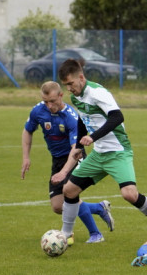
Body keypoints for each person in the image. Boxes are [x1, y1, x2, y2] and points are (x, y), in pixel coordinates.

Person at [52, 59, 147, 241]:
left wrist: (92, 137)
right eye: (66, 85)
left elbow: (117, 117)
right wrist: (80, 146)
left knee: (129, 194)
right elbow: (83, 119)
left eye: (70, 83)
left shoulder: (98, 93)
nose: (68, 89)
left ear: (81, 78)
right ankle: (65, 235)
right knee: (69, 190)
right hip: (98, 155)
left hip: (118, 152)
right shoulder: (76, 97)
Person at [21, 81, 114, 244]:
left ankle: (96, 234)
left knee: (70, 192)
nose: (49, 105)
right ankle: (99, 208)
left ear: (61, 95)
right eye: (45, 101)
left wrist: (63, 172)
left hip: (75, 156)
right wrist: (26, 157)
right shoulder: (38, 110)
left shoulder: (71, 117)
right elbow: (27, 131)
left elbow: (75, 149)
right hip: (57, 159)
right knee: (58, 206)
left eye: (52, 101)